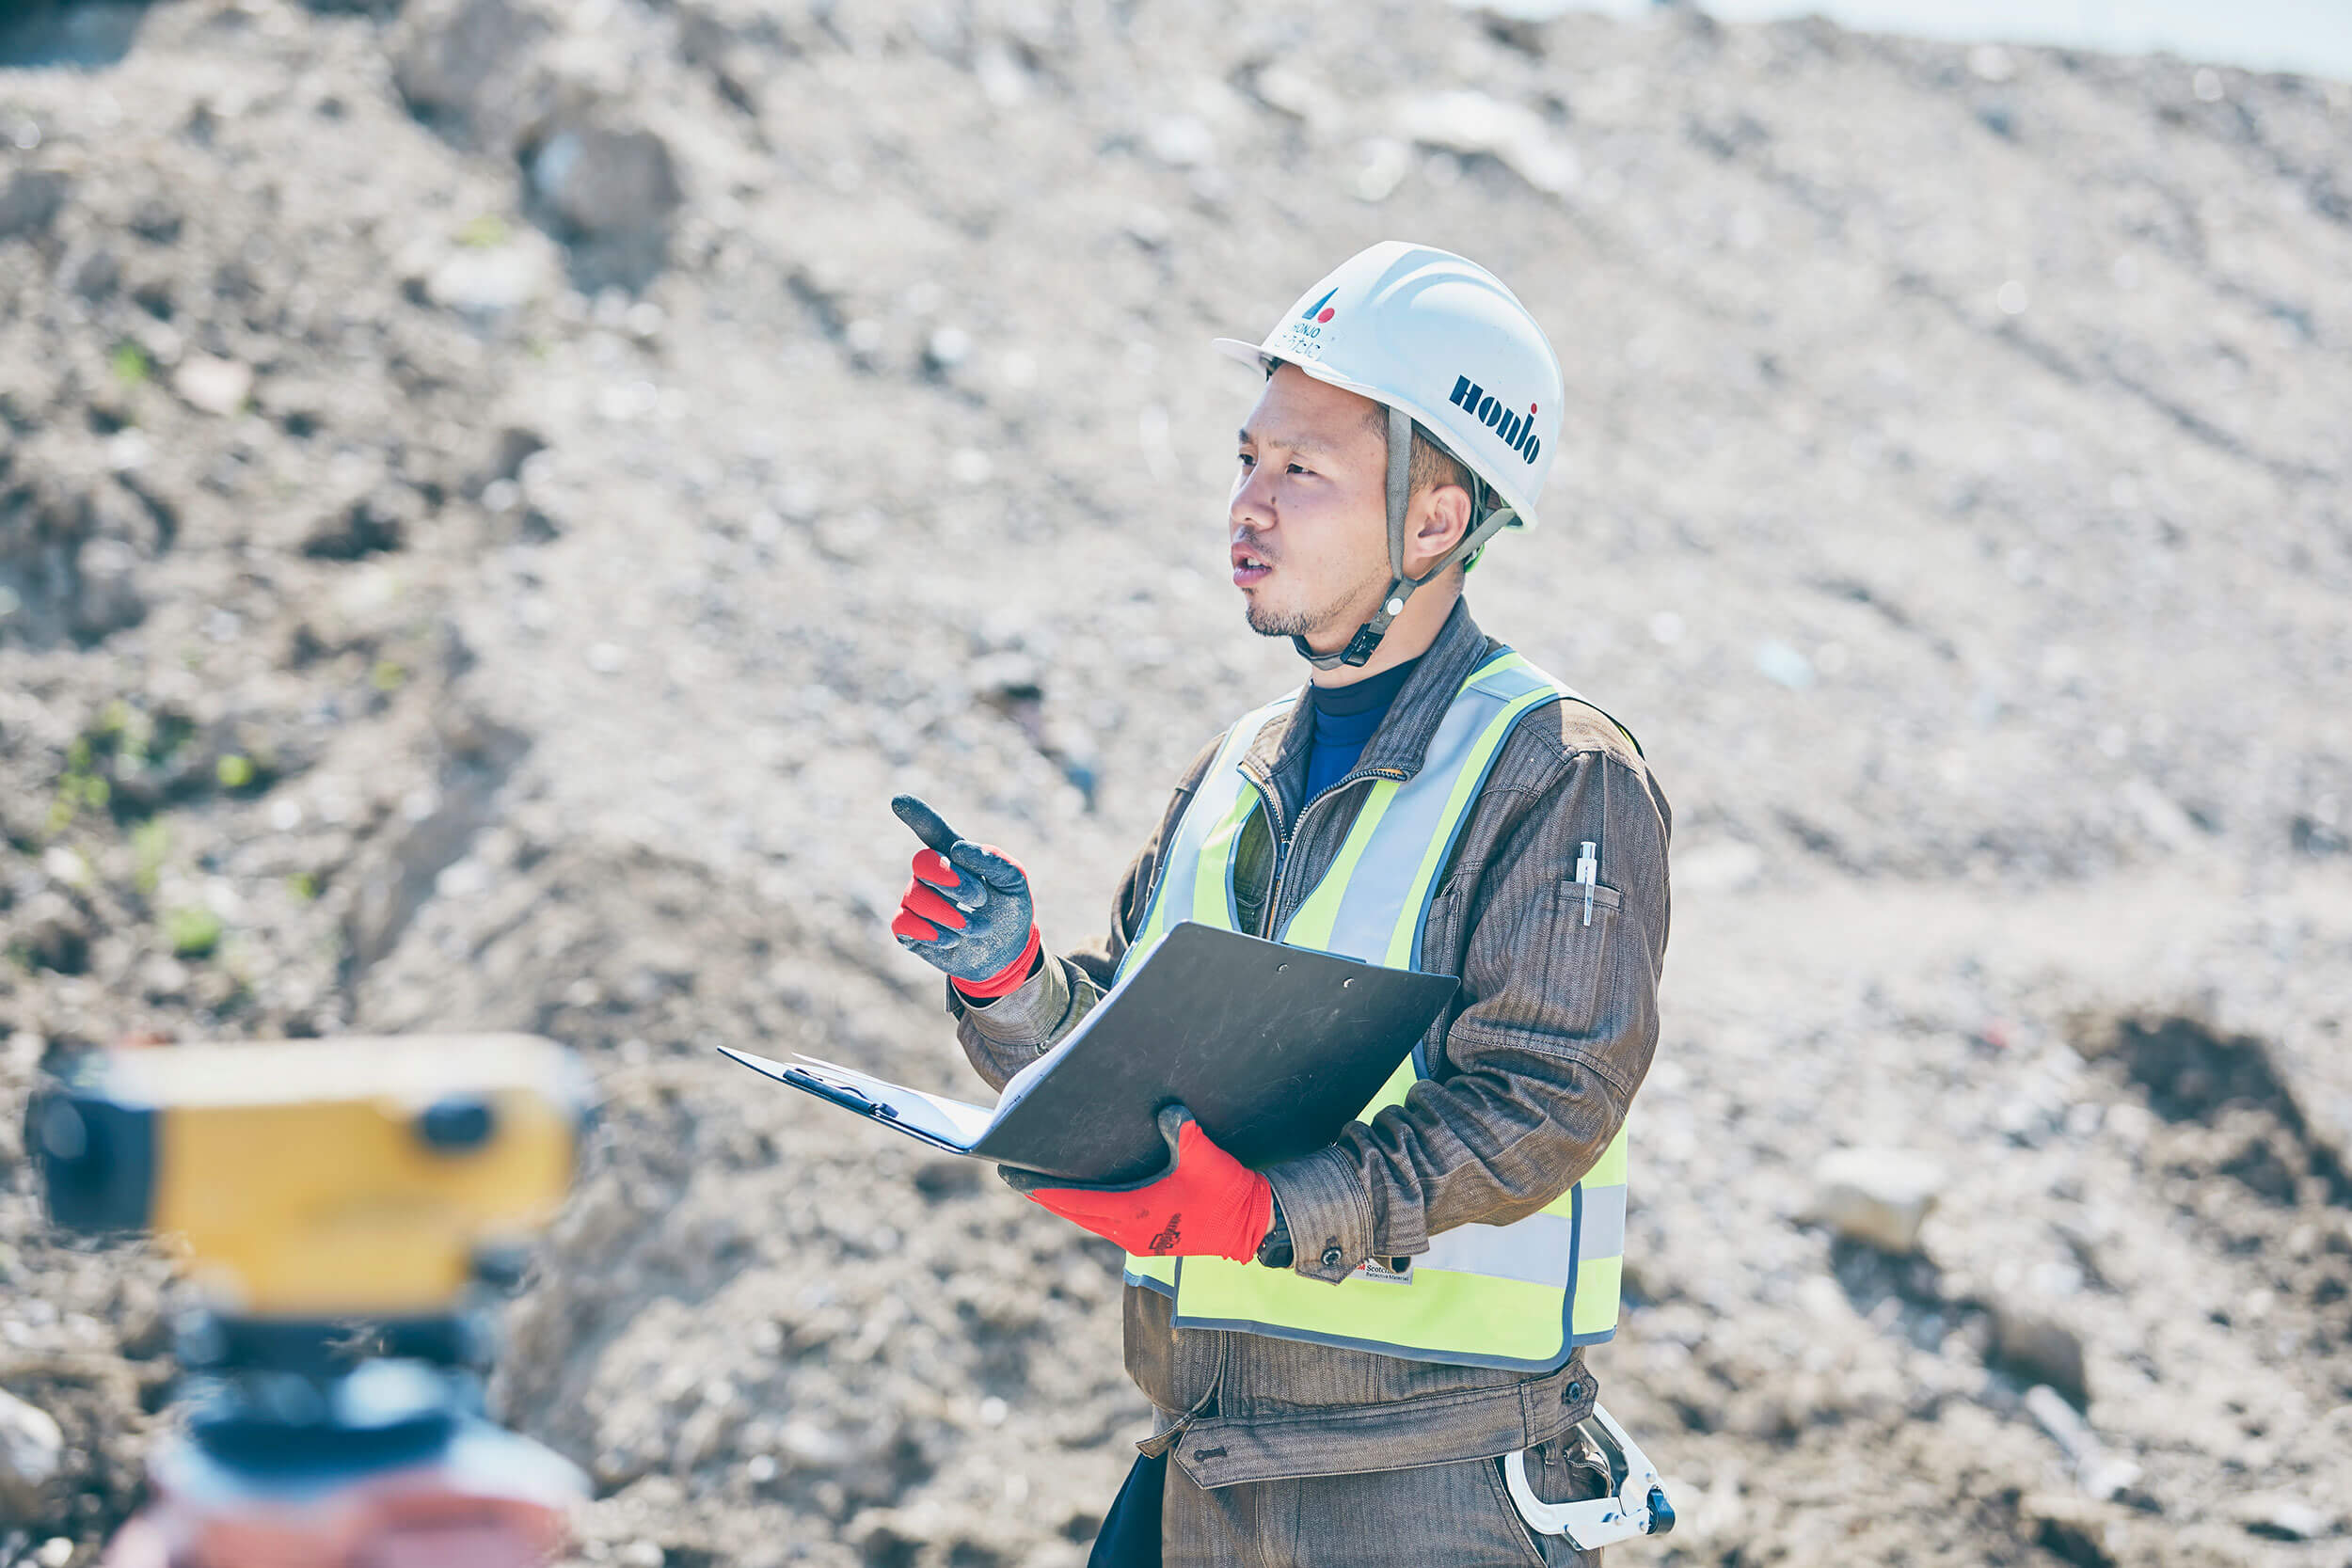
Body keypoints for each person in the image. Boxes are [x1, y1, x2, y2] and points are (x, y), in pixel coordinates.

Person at [888, 242, 1671, 1566]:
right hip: (1205, 1463)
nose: (1246, 506)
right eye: (1247, 462)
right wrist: (1011, 982)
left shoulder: (1558, 773)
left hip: (1424, 1498)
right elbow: (1137, 1052)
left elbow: (1550, 1102)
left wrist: (1279, 1209)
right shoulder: (1237, 767)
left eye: (1300, 472)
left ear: (1434, 520)